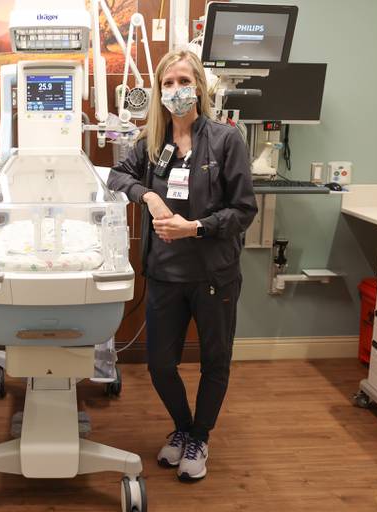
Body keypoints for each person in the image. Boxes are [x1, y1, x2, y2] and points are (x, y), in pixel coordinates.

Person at [107, 49, 257, 482]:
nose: (176, 90)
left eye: (183, 81)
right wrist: (148, 195)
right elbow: (119, 175)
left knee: (214, 360)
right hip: (165, 274)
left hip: (213, 273)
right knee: (159, 363)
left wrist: (196, 228)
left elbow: (243, 210)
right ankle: (182, 425)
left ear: (199, 87)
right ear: (159, 90)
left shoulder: (226, 140)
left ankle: (199, 436)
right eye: (168, 83)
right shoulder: (152, 143)